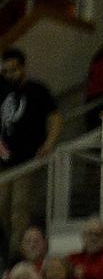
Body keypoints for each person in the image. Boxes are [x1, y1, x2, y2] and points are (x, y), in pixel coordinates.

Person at [0, 48, 61, 257]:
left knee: (20, 208)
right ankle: (10, 248)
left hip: (28, 159)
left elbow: (54, 118)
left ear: (23, 68)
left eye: (14, 70)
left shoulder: (37, 90)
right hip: (4, 161)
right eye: (6, 71)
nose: (10, 75)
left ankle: (16, 255)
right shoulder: (2, 90)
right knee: (3, 208)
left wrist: (49, 142)